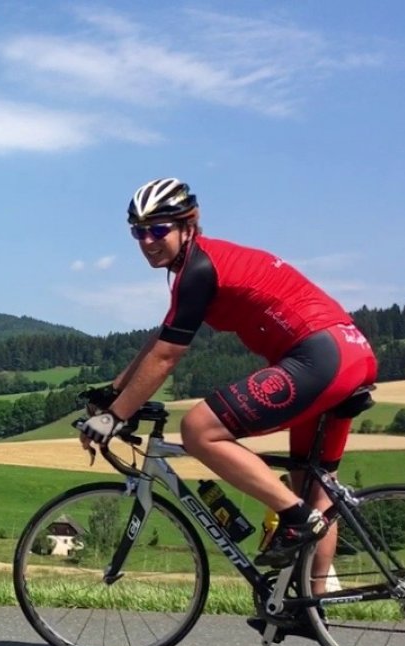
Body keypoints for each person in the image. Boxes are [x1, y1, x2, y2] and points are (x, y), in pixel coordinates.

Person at [77, 178, 378, 588]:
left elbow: (167, 356)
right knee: (314, 492)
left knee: (199, 429)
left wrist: (114, 418)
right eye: (138, 231)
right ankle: (313, 605)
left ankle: (294, 518)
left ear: (189, 223)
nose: (148, 240)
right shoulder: (203, 263)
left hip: (320, 357)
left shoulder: (199, 267)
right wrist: (115, 392)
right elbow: (160, 339)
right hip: (349, 353)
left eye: (159, 228)